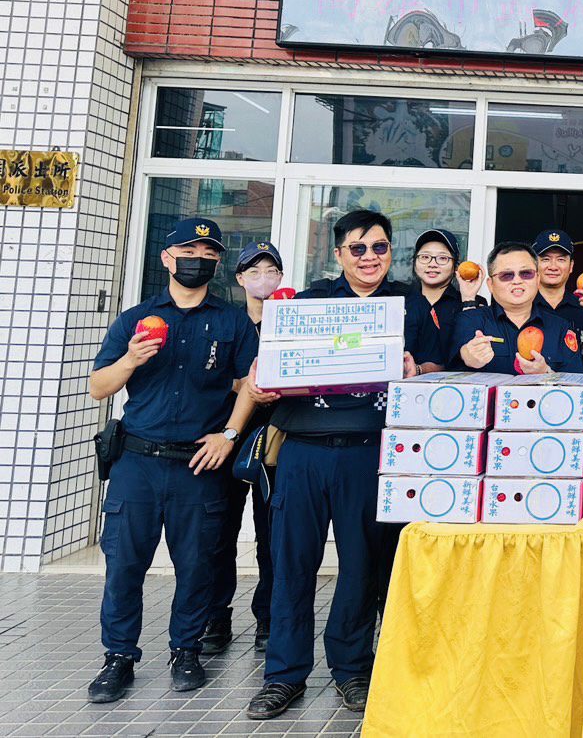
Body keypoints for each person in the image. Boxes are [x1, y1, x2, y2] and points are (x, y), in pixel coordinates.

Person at [247, 209, 421, 721]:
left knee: (361, 568)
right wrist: (261, 380)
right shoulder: (310, 303)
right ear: (339, 253)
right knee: (292, 564)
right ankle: (284, 675)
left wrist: (416, 371)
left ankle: (353, 670)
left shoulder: (407, 305)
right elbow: (269, 365)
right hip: (303, 450)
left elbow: (434, 366)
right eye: (358, 248)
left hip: (370, 452)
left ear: (391, 252)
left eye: (380, 247)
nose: (370, 257)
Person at [87, 218, 260, 704]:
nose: (197, 260)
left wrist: (229, 434)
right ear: (167, 258)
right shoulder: (136, 319)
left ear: (217, 262)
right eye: (188, 251)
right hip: (137, 461)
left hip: (198, 464)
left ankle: (186, 650)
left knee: (197, 565)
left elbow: (252, 383)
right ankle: (118, 657)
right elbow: (98, 386)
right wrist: (130, 360)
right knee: (124, 565)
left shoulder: (231, 322)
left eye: (208, 253)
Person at [198, 243, 283, 659]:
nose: (262, 277)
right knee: (219, 533)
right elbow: (212, 375)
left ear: (280, 277)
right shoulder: (225, 322)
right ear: (239, 278)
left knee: (272, 534)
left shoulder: (291, 320)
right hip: (227, 437)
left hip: (275, 440)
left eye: (271, 270)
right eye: (254, 270)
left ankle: (267, 616)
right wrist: (242, 385)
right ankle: (216, 615)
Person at [454, 242, 583, 375]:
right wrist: (468, 355)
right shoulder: (470, 319)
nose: (517, 281)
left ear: (537, 279)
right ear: (491, 285)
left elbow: (575, 379)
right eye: (507, 275)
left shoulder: (560, 327)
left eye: (526, 273)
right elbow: (455, 364)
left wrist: (546, 373)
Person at [533, 229, 583, 370]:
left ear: (571, 266)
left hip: (576, 383)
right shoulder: (523, 305)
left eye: (561, 259)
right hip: (531, 382)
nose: (553, 266)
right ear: (534, 264)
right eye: (545, 259)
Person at [404, 228, 473, 372]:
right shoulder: (401, 301)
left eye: (442, 258)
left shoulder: (470, 302)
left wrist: (469, 300)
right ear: (415, 262)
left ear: (455, 265)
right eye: (425, 257)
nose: (432, 264)